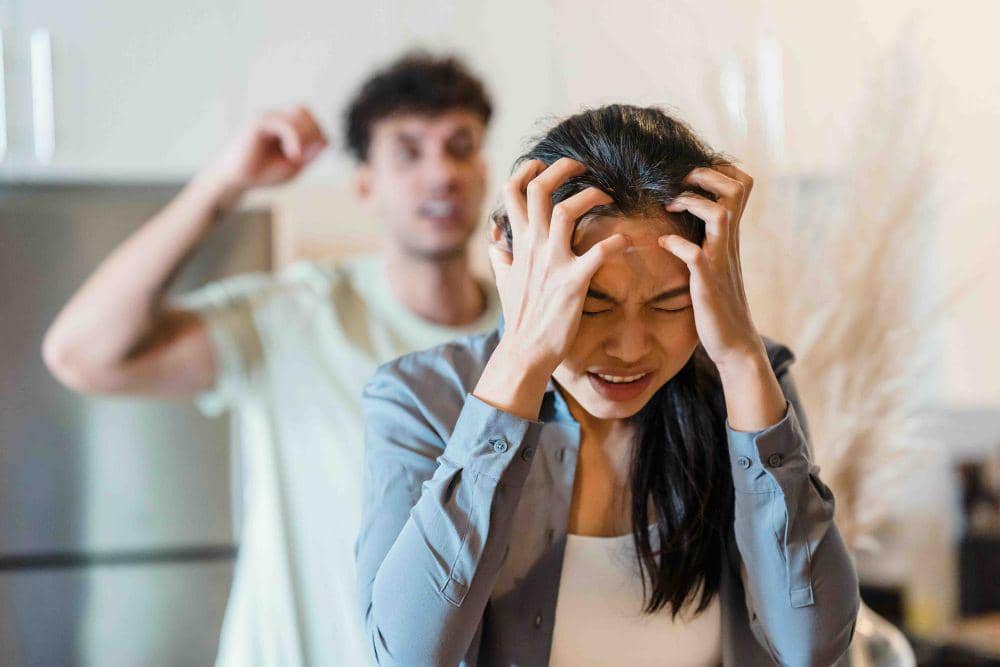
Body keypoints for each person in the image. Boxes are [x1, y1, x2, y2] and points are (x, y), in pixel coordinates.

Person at [356, 104, 861, 666]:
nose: (630, 348)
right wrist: (523, 356)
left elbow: (811, 644)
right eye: (591, 304)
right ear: (517, 267)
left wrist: (742, 359)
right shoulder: (419, 399)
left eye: (669, 304)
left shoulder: (746, 387)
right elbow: (408, 655)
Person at [42, 53, 500, 666]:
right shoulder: (297, 318)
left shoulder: (525, 339)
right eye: (408, 152)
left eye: (460, 147)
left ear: (484, 170)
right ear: (365, 184)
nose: (441, 173)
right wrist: (225, 183)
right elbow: (80, 354)